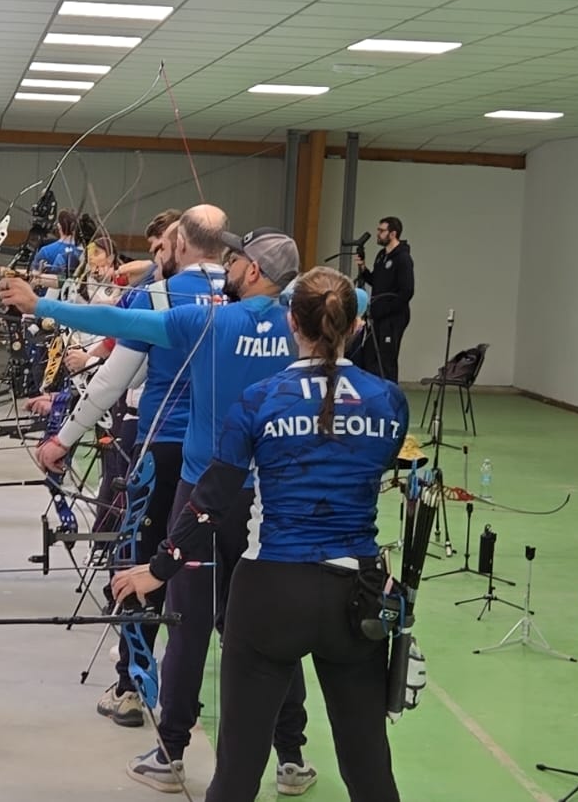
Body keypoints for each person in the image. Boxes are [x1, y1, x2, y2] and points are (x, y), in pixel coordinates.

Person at [0, 224, 316, 796]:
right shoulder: (299, 322)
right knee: (267, 626)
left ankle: (171, 753)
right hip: (268, 501)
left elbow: (124, 324)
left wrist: (38, 302)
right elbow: (352, 299)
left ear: (253, 271)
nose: (231, 266)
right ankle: (291, 756)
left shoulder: (211, 321)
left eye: (240, 260)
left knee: (189, 623)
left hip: (201, 496)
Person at [113, 267, 410, 802]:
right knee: (370, 772)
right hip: (356, 599)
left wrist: (158, 570)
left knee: (236, 776)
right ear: (357, 325)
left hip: (269, 594)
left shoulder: (258, 400)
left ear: (291, 323)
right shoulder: (389, 402)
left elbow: (211, 503)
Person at [35, 212, 219, 730]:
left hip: (165, 450)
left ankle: (132, 688)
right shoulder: (252, 298)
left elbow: (115, 379)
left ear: (180, 242)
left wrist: (61, 439)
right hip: (230, 460)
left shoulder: (158, 297)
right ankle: (284, 740)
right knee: (224, 580)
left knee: (145, 563)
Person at [353, 216, 414, 381]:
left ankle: (390, 395)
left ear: (393, 234)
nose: (378, 234)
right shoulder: (381, 255)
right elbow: (377, 282)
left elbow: (407, 291)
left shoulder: (403, 258)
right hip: (377, 316)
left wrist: (384, 308)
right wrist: (364, 269)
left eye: (382, 231)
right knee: (369, 356)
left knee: (386, 360)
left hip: (393, 318)